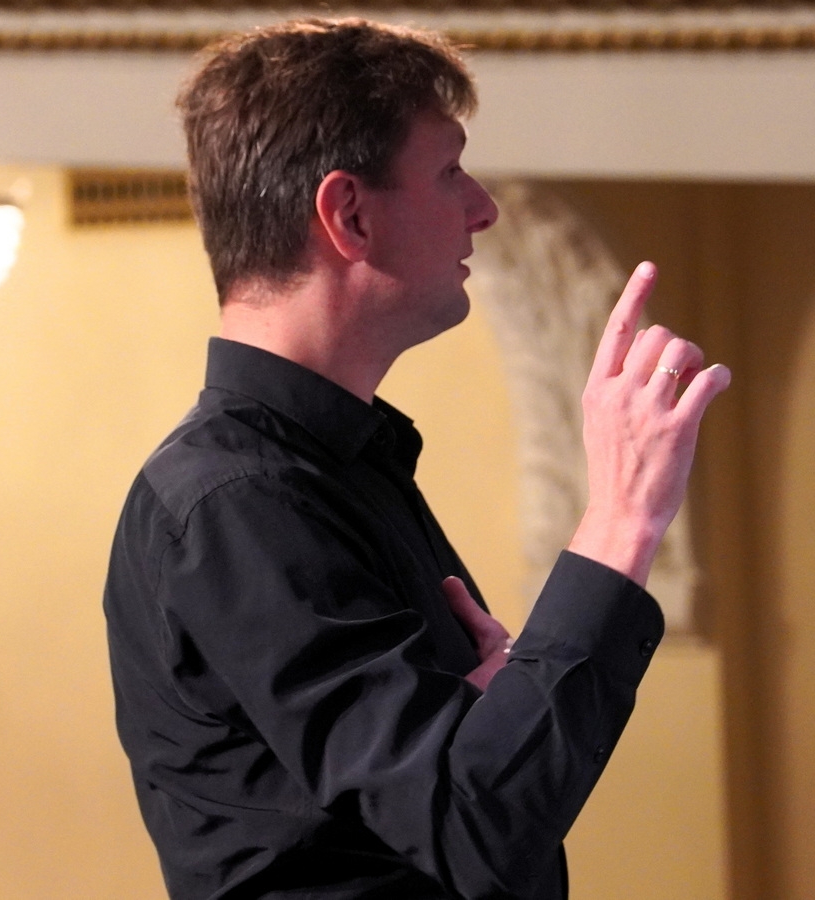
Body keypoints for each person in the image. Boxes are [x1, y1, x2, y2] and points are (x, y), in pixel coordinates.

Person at [103, 18, 730, 900]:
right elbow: (474, 826)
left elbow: (463, 800)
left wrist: (498, 713)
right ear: (350, 216)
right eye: (449, 171)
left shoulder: (339, 467)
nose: (484, 207)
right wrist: (622, 518)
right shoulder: (236, 503)